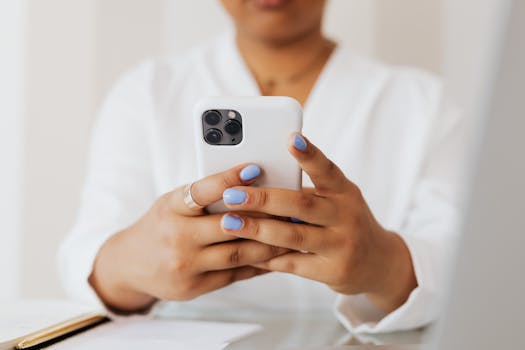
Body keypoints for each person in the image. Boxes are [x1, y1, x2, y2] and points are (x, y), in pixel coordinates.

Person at [58, 0, 467, 333]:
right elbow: (84, 255)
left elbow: (470, 266)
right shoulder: (146, 92)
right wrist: (134, 262)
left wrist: (385, 264)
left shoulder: (425, 105)